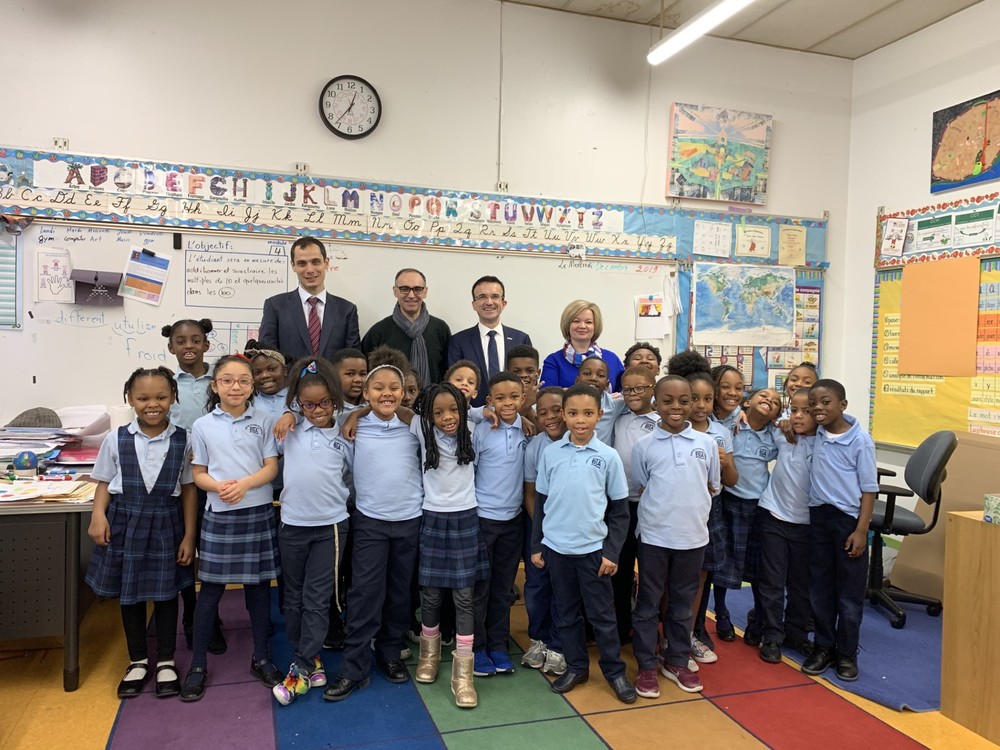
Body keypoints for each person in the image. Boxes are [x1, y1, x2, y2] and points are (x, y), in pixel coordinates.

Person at [85, 367, 197, 699]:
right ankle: (137, 660)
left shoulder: (184, 438)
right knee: (130, 595)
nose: (153, 404)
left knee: (166, 595)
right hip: (125, 523)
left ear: (173, 398)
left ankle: (165, 661)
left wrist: (190, 536)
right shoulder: (116, 438)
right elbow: (104, 481)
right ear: (130, 399)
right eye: (143, 397)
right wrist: (97, 516)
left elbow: (189, 489)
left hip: (166, 524)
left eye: (161, 397)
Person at [181, 356, 281, 702]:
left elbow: (271, 467)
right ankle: (197, 665)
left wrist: (245, 485)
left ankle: (262, 657)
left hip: (257, 513)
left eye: (242, 381)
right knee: (209, 591)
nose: (235, 387)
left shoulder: (265, 420)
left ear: (252, 386)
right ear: (215, 386)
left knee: (258, 590)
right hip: (220, 515)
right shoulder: (203, 425)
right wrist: (219, 486)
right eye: (227, 380)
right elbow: (199, 473)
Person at [531, 384, 636, 704]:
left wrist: (611, 551)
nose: (580, 420)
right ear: (563, 415)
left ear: (599, 415)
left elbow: (620, 512)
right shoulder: (551, 454)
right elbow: (542, 502)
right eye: (573, 413)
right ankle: (577, 667)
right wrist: (537, 545)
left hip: (593, 553)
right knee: (566, 613)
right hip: (557, 550)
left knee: (603, 616)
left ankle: (614, 672)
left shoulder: (608, 457)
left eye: (588, 413)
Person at [323, 365, 424, 701]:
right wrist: (358, 414)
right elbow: (313, 415)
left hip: (410, 521)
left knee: (399, 594)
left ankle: (390, 654)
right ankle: (354, 668)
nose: (387, 393)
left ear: (404, 392)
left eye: (394, 387)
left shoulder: (415, 426)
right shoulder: (352, 427)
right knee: (365, 594)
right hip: (370, 522)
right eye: (377, 388)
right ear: (365, 394)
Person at [631, 376, 720, 697]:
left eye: (684, 401)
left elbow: (713, 485)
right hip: (654, 537)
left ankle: (677, 660)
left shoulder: (706, 444)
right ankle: (645, 664)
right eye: (667, 401)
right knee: (648, 603)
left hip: (693, 538)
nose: (676, 407)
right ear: (656, 404)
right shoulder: (644, 447)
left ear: (693, 404)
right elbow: (642, 484)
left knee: (683, 604)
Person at [271, 359, 353, 706]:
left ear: (335, 399)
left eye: (324, 403)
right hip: (292, 525)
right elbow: (271, 454)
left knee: (317, 601)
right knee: (293, 600)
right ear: (297, 403)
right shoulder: (288, 429)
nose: (317, 410)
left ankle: (300, 672)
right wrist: (290, 414)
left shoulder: (347, 435)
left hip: (331, 528)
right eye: (308, 404)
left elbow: (351, 478)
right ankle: (314, 659)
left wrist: (356, 416)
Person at [410, 382, 487, 709]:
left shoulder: (474, 429)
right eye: (438, 412)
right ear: (427, 414)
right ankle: (428, 658)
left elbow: (493, 412)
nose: (447, 417)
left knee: (464, 597)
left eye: (453, 409)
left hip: (466, 519)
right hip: (432, 518)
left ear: (463, 407)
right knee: (431, 595)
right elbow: (401, 411)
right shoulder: (420, 427)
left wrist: (509, 415)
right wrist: (356, 414)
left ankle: (462, 674)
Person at [801, 379, 877, 682]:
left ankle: (846, 653)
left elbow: (869, 490)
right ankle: (823, 646)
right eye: (813, 404)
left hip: (848, 522)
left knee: (848, 591)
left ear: (842, 405)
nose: (818, 408)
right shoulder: (815, 432)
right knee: (819, 586)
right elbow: (787, 420)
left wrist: (861, 531)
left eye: (826, 402)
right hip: (819, 517)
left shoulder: (860, 440)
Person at [161, 318, 225, 654]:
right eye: (181, 340)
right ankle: (192, 616)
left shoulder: (220, 382)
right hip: (178, 480)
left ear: (206, 345)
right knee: (185, 550)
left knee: (210, 550)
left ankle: (210, 617)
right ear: (171, 346)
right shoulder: (167, 384)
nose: (189, 346)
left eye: (196, 340)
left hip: (214, 477)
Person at [750, 388, 816, 664]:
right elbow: (753, 424)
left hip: (808, 524)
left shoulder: (826, 441)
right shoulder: (782, 432)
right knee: (772, 581)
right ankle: (772, 635)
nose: (798, 416)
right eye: (793, 410)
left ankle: (797, 633)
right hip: (773, 515)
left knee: (801, 584)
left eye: (806, 411)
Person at [471, 373, 528, 677]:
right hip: (483, 521)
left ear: (523, 398)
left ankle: (498, 645)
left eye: (514, 397)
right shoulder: (480, 431)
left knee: (503, 589)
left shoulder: (527, 431)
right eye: (501, 398)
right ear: (490, 401)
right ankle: (478, 649)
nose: (508, 403)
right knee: (480, 589)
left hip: (513, 523)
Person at [714, 387, 781, 643]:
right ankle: (721, 613)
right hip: (729, 501)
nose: (769, 401)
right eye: (763, 396)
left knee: (758, 568)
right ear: (748, 400)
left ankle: (759, 620)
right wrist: (737, 413)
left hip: (759, 507)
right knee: (724, 562)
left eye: (775, 402)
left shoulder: (775, 435)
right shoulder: (730, 425)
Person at [610, 365, 659, 645]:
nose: (633, 394)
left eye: (640, 388)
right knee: (621, 570)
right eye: (627, 389)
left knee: (651, 573)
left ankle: (647, 630)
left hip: (650, 506)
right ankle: (620, 627)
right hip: (621, 505)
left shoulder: (661, 421)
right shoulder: (618, 415)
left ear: (652, 388)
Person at [521, 387, 567, 676]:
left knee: (564, 589)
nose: (550, 417)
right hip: (540, 526)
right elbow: (530, 494)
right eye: (543, 413)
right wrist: (541, 533)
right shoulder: (534, 446)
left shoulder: (580, 441)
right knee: (537, 585)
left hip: (571, 530)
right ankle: (539, 639)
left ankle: (559, 645)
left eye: (557, 410)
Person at [258, 236, 361, 360]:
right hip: (291, 379)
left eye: (315, 262)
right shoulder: (275, 307)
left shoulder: (347, 310)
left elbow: (352, 360)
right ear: (293, 265)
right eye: (302, 263)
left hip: (331, 379)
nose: (310, 270)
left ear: (326, 263)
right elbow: (268, 358)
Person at [447, 276, 532, 406]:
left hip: (513, 413)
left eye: (495, 296)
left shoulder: (521, 339)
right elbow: (453, 385)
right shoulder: (459, 341)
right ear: (474, 305)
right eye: (482, 297)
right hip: (473, 417)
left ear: (503, 303)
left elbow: (528, 383)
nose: (489, 302)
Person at [361, 268, 451, 386]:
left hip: (432, 402)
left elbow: (447, 373)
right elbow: (367, 375)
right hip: (391, 402)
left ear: (425, 292)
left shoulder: (440, 329)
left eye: (417, 289)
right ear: (395, 291)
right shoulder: (379, 332)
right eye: (404, 289)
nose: (411, 295)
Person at [541, 300, 624, 390]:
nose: (582, 326)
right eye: (576, 321)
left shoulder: (612, 359)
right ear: (567, 325)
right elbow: (546, 397)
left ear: (595, 326)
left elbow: (625, 392)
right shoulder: (554, 361)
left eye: (588, 322)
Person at [576, 356, 627, 445]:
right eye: (587, 374)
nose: (593, 378)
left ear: (607, 385)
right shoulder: (567, 401)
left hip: (600, 457)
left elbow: (637, 402)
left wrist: (652, 405)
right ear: (577, 381)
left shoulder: (613, 404)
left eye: (600, 375)